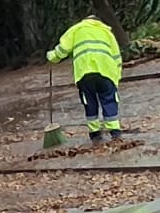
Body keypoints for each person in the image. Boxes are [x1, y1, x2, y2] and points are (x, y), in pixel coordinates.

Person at [48, 14, 124, 143]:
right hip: (106, 72)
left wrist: (51, 57)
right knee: (109, 100)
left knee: (89, 102)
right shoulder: (106, 32)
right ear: (98, 22)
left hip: (84, 73)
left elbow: (62, 50)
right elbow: (117, 57)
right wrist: (116, 78)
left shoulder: (76, 29)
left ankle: (95, 135)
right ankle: (115, 133)